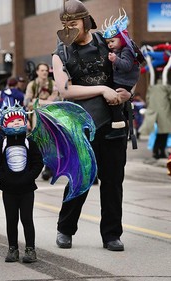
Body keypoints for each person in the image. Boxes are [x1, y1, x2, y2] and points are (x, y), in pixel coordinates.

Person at [52, 0, 132, 251]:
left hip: (114, 122)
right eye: (65, 24)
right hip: (81, 126)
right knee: (81, 177)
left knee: (112, 181)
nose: (69, 28)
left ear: (86, 22)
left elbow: (130, 68)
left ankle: (111, 235)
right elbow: (65, 89)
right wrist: (102, 89)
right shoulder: (60, 53)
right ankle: (65, 229)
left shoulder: (107, 42)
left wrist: (127, 93)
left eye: (73, 23)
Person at [0, 102, 43, 263]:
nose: (16, 123)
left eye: (19, 120)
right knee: (11, 220)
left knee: (27, 219)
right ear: (4, 124)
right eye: (12, 121)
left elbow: (38, 163)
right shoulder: (1, 144)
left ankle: (30, 249)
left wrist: (29, 177)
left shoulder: (30, 143)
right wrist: (4, 178)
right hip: (9, 189)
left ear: (26, 122)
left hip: (27, 189)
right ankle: (12, 249)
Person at [101, 10, 140, 140]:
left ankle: (118, 128)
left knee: (114, 102)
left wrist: (115, 60)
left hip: (124, 81)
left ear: (121, 39)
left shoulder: (127, 50)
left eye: (112, 41)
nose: (110, 44)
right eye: (108, 42)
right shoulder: (121, 50)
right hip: (122, 80)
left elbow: (127, 66)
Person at [139, 79, 171, 159]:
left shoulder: (152, 88)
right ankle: (161, 152)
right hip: (165, 112)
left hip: (154, 113)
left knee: (158, 133)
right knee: (164, 133)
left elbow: (148, 99)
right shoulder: (168, 87)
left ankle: (156, 151)